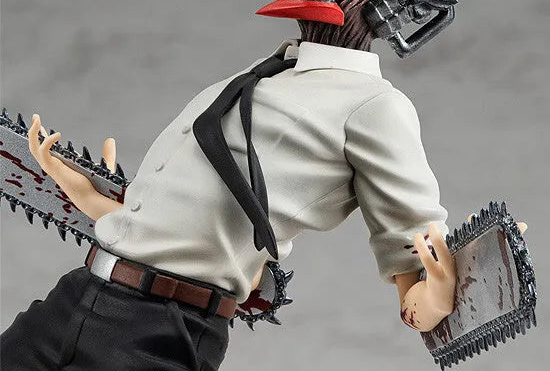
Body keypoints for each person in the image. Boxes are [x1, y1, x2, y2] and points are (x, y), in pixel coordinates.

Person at [1, 19, 457, 370]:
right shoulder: (262, 75)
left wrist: (436, 296)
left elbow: (415, 291)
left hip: (160, 328)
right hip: (78, 295)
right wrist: (88, 196)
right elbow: (189, 225)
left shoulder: (375, 107)